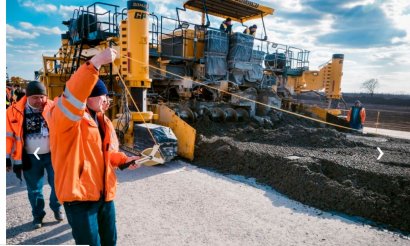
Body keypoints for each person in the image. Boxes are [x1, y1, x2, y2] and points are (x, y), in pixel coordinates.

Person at [44, 48, 141, 246]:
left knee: (109, 241)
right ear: (87, 97)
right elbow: (73, 95)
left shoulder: (104, 121)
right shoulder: (65, 119)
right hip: (79, 198)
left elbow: (108, 153)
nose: (107, 101)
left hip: (104, 195)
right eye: (102, 96)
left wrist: (123, 160)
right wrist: (95, 63)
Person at [6, 81, 64, 229]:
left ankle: (56, 207)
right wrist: (7, 158)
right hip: (31, 157)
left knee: (58, 184)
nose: (39, 101)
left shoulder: (54, 107)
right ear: (27, 96)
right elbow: (7, 136)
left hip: (52, 155)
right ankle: (38, 215)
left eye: (42, 97)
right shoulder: (13, 111)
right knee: (34, 189)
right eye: (35, 97)